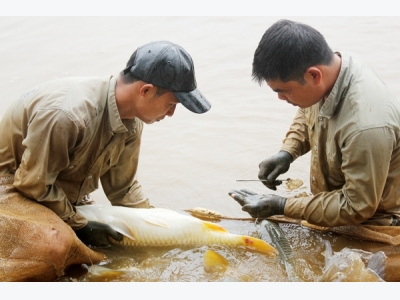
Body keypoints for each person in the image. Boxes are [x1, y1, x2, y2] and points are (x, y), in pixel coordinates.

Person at [0, 40, 211, 248]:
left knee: (121, 247)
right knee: (58, 246)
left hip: (57, 190)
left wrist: (157, 223)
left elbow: (123, 189)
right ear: (145, 91)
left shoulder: (132, 122)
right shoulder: (68, 116)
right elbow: (32, 183)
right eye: (172, 104)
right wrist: (82, 226)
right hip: (13, 186)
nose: (171, 114)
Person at [229, 19, 400, 227]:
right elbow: (307, 110)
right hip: (339, 205)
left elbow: (357, 206)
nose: (281, 99)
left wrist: (282, 206)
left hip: (374, 219)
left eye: (284, 91)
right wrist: (287, 152)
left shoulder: (366, 126)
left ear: (313, 75)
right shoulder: (332, 72)